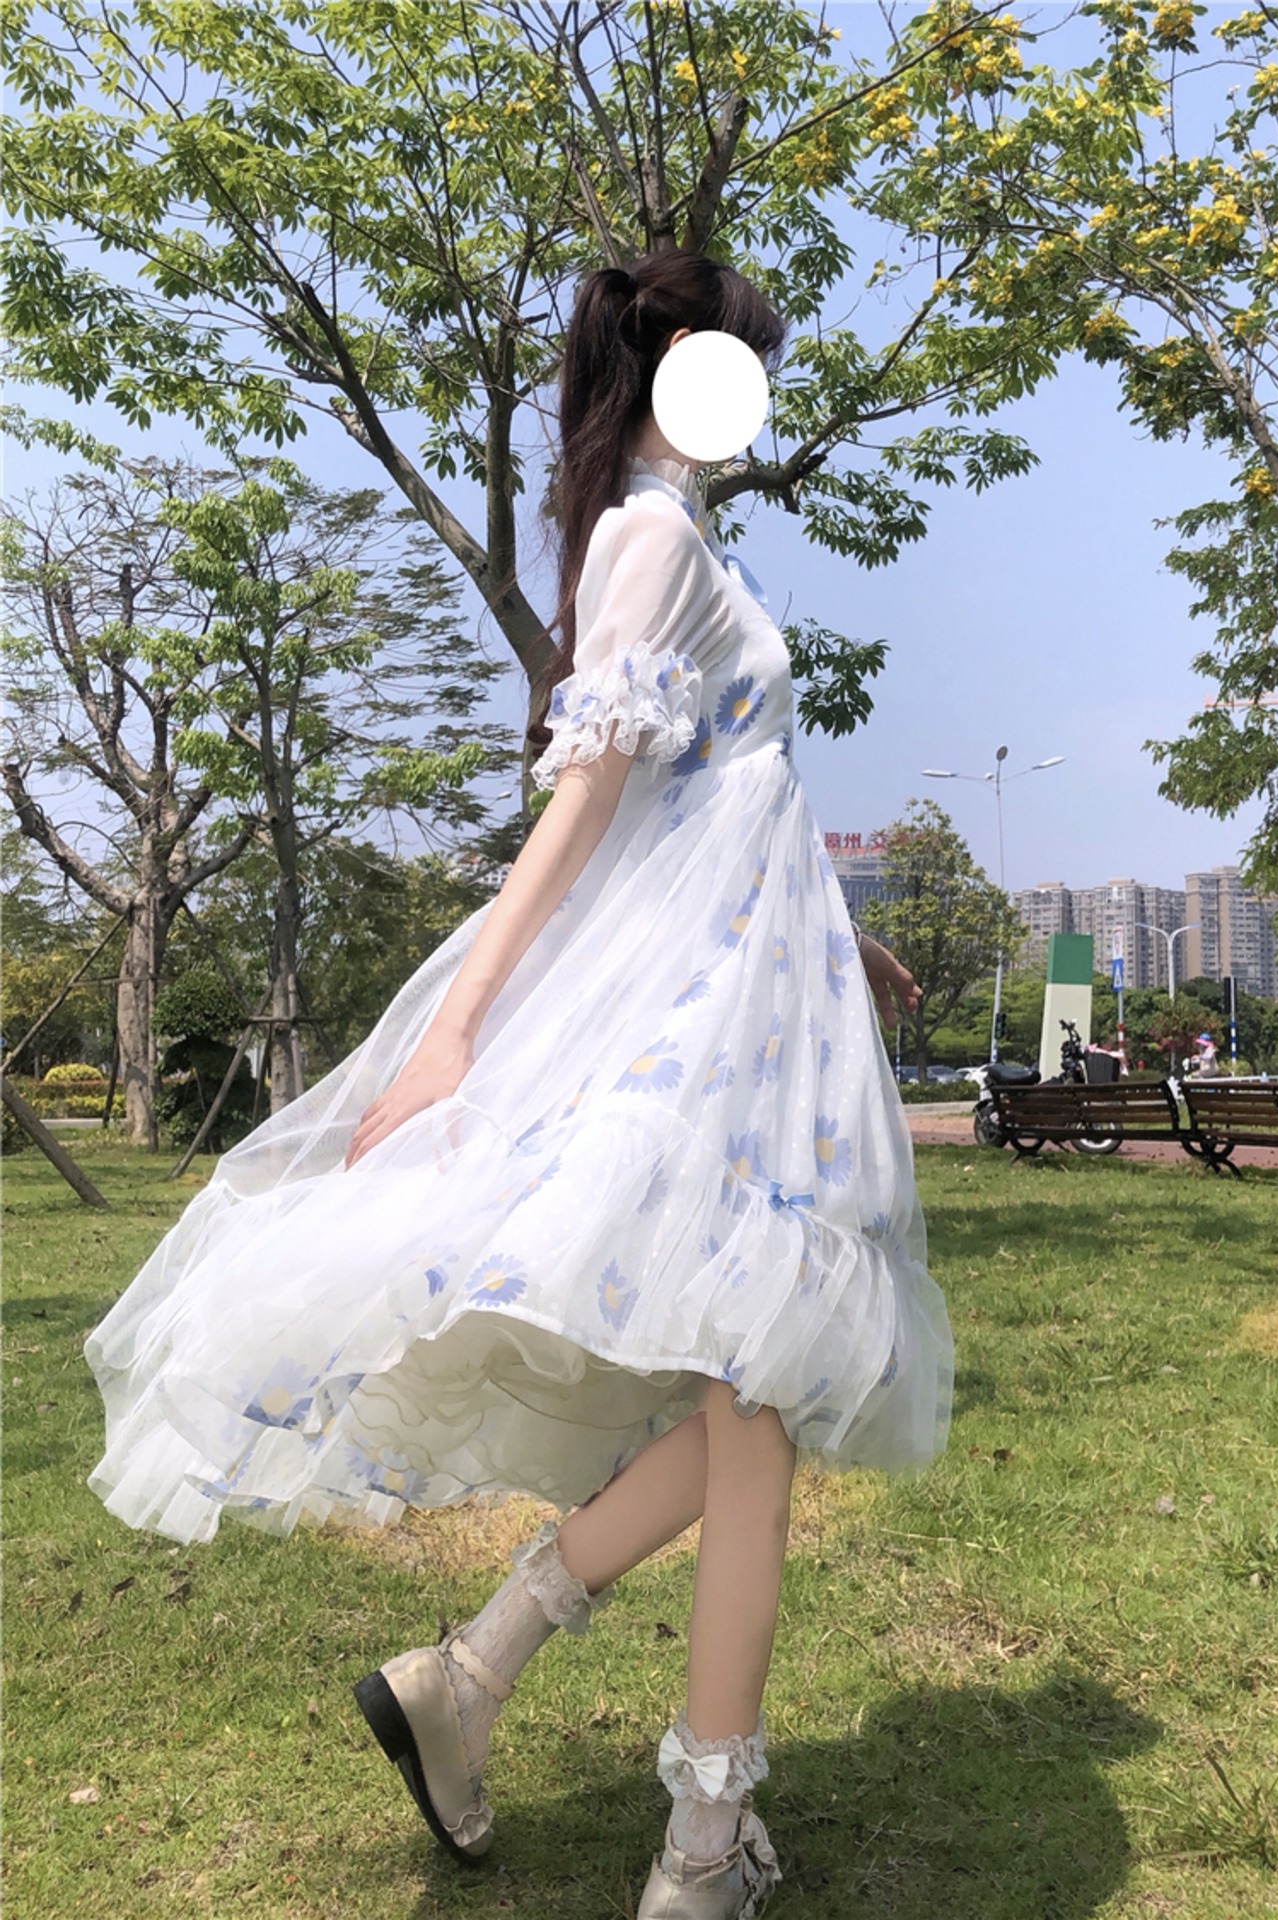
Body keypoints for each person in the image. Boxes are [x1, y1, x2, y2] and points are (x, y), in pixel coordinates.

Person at [82, 250, 953, 1920]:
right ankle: (699, 1845)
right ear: (676, 359)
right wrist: (458, 1025)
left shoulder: (676, 538)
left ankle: (471, 1682)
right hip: (703, 1040)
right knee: (760, 1401)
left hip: (755, 1019)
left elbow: (718, 795)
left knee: (758, 1397)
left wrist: (844, 942)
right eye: (744, 359)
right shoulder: (649, 539)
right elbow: (591, 795)